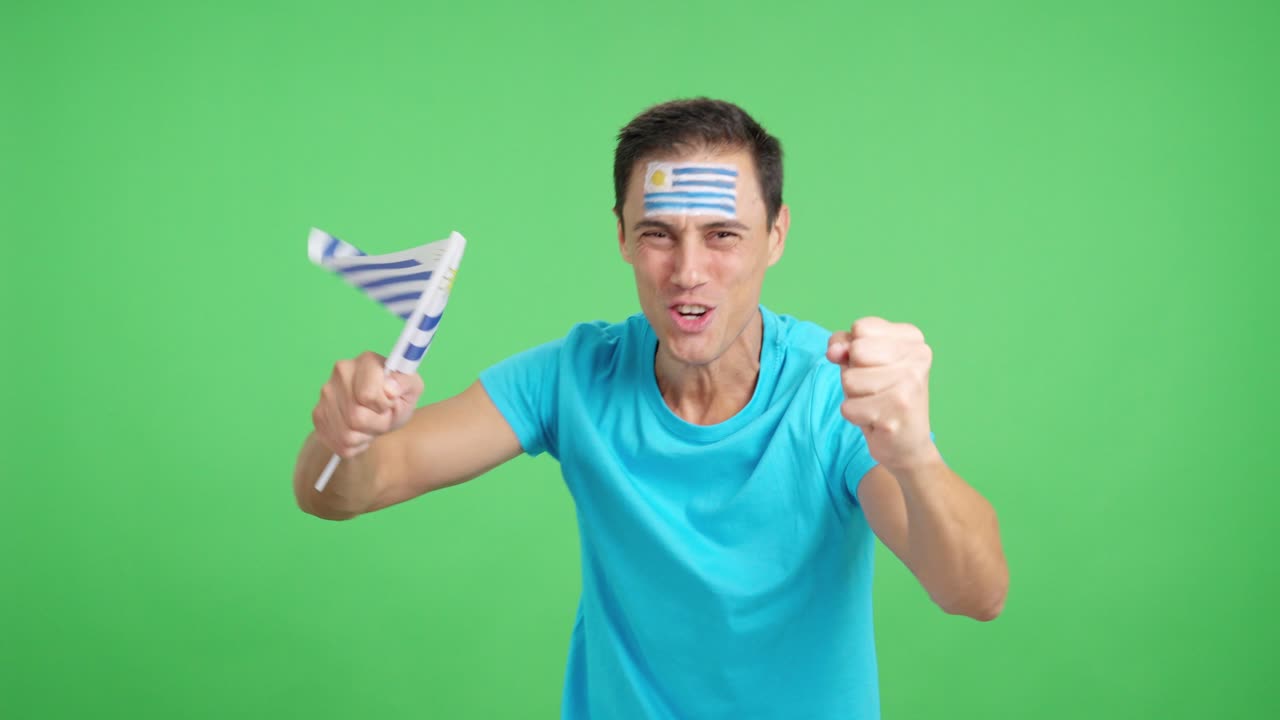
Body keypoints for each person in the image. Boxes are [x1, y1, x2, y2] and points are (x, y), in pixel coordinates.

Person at [293, 98, 1008, 719]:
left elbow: (975, 592)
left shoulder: (831, 395)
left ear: (777, 235)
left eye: (723, 235)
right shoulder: (573, 376)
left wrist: (915, 454)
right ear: (623, 237)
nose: (688, 271)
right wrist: (345, 436)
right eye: (659, 233)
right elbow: (342, 491)